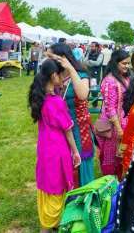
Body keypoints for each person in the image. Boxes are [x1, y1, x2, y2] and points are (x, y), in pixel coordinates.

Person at [28, 59, 81, 233]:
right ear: (53, 76)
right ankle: (47, 227)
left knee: (46, 186)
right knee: (57, 188)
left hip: (44, 148)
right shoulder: (56, 102)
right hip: (57, 149)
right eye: (61, 74)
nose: (64, 77)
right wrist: (75, 152)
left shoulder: (40, 97)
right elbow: (67, 130)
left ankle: (52, 224)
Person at [48, 43, 94, 187]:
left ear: (62, 58)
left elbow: (82, 94)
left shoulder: (81, 74)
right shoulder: (54, 76)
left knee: (81, 161)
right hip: (60, 128)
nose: (47, 60)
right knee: (64, 162)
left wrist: (70, 69)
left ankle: (84, 198)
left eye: (50, 57)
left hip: (79, 128)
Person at [96, 50, 130, 179]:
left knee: (121, 153)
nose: (127, 66)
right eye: (124, 63)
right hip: (113, 124)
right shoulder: (110, 80)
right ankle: (110, 182)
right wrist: (119, 128)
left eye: (128, 63)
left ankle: (120, 180)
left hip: (123, 119)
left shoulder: (124, 77)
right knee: (111, 155)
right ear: (115, 63)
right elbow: (110, 108)